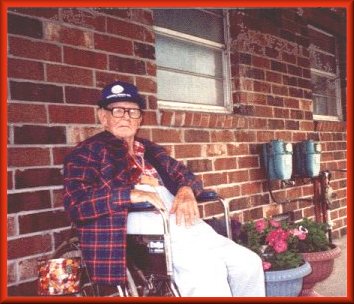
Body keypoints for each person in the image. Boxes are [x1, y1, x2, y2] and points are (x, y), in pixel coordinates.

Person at [63, 81, 265, 297]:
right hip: (134, 220)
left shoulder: (150, 151)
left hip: (179, 219)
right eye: (117, 110)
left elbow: (186, 176)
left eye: (132, 111)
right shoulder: (87, 152)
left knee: (248, 263)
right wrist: (129, 194)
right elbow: (76, 204)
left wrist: (186, 190)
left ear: (140, 118)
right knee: (206, 270)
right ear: (103, 116)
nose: (125, 117)